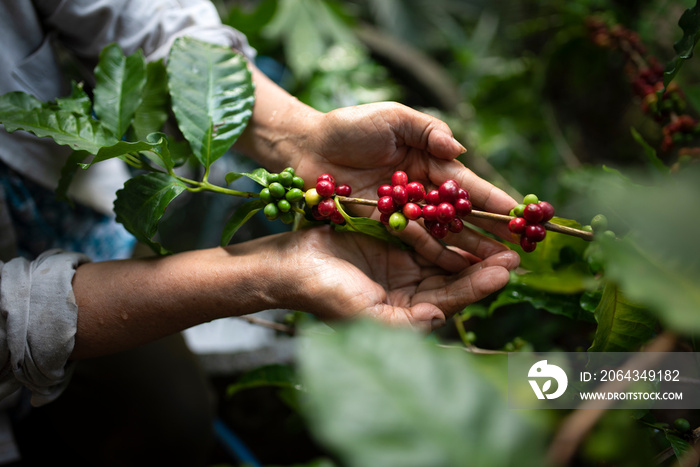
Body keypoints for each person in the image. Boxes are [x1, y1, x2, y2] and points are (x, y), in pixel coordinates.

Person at [0, 0, 520, 465]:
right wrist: (269, 272)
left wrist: (303, 137)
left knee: (172, 422)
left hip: (71, 218)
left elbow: (141, 15)